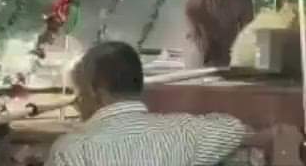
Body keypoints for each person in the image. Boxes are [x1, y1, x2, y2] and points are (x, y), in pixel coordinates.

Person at [48, 41, 273, 166]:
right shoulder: (185, 131)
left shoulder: (71, 150)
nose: (76, 104)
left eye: (79, 94)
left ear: (97, 92)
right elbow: (234, 127)